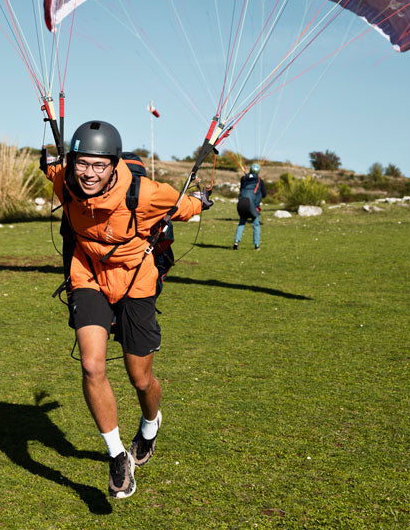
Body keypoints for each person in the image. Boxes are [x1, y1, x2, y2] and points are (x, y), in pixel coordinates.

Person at [41, 121, 211, 499]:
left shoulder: (147, 193)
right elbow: (51, 165)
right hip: (88, 276)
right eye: (82, 163)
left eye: (99, 165)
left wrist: (202, 199)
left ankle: (150, 426)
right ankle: (117, 455)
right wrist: (47, 155)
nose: (88, 173)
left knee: (140, 380)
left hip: (136, 281)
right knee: (91, 365)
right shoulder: (64, 179)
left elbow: (185, 208)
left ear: (114, 164)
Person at [234, 162, 268, 250]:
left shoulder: (243, 178)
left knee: (242, 223)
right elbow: (264, 194)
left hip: (241, 204)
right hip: (252, 205)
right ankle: (257, 245)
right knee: (256, 224)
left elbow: (242, 188)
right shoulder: (260, 181)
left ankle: (236, 242)